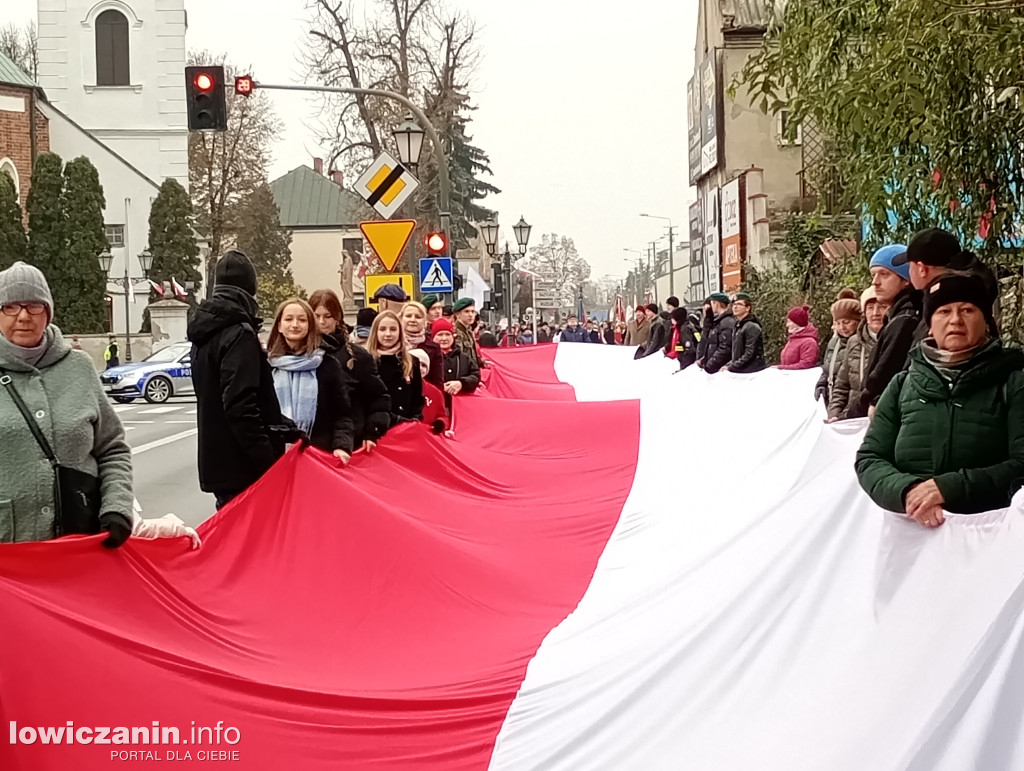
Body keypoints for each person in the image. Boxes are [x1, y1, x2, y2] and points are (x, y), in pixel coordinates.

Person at [856, 273, 1024, 526]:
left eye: (967, 310)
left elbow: (1021, 464)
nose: (955, 320)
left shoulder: (1013, 382)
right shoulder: (903, 384)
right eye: (944, 311)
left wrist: (947, 488)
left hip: (989, 538)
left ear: (986, 321)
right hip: (911, 537)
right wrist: (908, 491)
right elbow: (870, 459)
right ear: (930, 325)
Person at [0, 262, 133, 545]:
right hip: (9, 551)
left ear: (47, 312)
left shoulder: (78, 367)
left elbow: (113, 448)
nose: (23, 316)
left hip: (80, 543)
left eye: (34, 306)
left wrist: (117, 507)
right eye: (10, 307)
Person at [189, 251, 289, 509]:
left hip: (218, 463)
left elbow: (210, 395)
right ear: (250, 289)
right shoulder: (239, 334)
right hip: (244, 467)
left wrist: (283, 426)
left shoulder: (204, 333)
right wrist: (268, 459)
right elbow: (240, 404)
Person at [267, 298, 355, 464]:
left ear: (310, 326)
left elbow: (342, 414)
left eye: (302, 320)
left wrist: (341, 446)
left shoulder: (327, 365)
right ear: (279, 326)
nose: (295, 324)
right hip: (274, 459)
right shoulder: (266, 366)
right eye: (288, 319)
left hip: (319, 456)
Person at [309, 289, 391, 452]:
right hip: (311, 442)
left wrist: (372, 431)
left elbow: (379, 398)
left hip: (352, 442)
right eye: (316, 316)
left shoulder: (357, 356)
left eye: (327, 316)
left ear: (337, 318)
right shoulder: (300, 355)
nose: (322, 322)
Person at [893, 227, 999, 343]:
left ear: (922, 269)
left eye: (910, 267)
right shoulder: (976, 293)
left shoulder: (939, 303)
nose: (955, 320)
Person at [849, 244, 918, 417]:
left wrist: (849, 416)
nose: (875, 282)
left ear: (906, 278)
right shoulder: (897, 317)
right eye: (873, 275)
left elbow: (881, 379)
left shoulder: (904, 321)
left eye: (884, 274)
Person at [827, 287, 887, 422]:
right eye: (870, 308)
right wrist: (834, 414)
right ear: (864, 313)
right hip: (856, 417)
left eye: (882, 307)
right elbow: (841, 385)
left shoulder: (898, 339)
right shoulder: (854, 342)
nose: (876, 313)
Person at [368, 310, 424, 425]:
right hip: (380, 427)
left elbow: (417, 399)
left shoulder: (412, 361)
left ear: (400, 332)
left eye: (393, 329)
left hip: (408, 428)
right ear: (375, 332)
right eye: (382, 329)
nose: (388, 334)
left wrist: (415, 419)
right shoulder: (367, 361)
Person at [815, 289, 860, 403]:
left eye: (846, 322)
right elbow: (827, 367)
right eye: (837, 323)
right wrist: (821, 383)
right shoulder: (834, 343)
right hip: (832, 398)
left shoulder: (862, 343)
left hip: (852, 401)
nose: (842, 327)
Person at [431, 317, 481, 411]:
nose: (444, 338)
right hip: (436, 407)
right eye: (440, 335)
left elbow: (475, 375)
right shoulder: (428, 357)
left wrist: (461, 383)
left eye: (447, 334)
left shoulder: (463, 358)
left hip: (460, 408)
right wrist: (440, 387)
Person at [401, 301, 444, 390]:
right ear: (401, 318)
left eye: (418, 317)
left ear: (425, 321)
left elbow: (437, 382)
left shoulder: (433, 347)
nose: (412, 320)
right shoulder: (393, 344)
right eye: (408, 316)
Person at [725, 292, 767, 373]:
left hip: (751, 372)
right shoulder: (738, 325)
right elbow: (736, 352)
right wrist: (729, 364)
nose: (735, 307)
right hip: (740, 370)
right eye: (733, 304)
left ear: (747, 308)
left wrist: (733, 366)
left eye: (739, 304)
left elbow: (750, 353)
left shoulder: (751, 326)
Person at [409, 348, 447, 431]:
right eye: (416, 363)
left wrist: (440, 423)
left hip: (427, 436)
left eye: (424, 365)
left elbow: (442, 415)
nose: (420, 368)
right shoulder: (396, 387)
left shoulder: (435, 392)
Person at [698, 293, 735, 374]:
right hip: (715, 368)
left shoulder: (726, 322)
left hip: (719, 370)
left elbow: (725, 348)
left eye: (711, 303)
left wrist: (710, 364)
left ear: (716, 303)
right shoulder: (718, 321)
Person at [452, 297, 482, 367]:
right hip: (463, 373)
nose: (470, 315)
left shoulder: (469, 331)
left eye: (473, 312)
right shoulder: (456, 332)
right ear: (457, 314)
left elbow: (472, 355)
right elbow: (458, 358)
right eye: (466, 311)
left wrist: (481, 362)